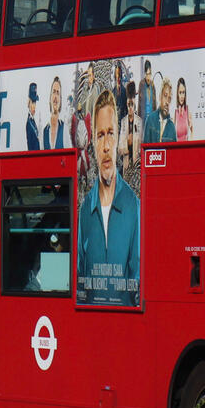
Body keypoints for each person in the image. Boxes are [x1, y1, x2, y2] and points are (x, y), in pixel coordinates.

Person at [76, 90, 140, 306]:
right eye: (100, 135)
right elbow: (78, 280)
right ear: (93, 142)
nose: (105, 146)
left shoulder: (133, 205)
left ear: (118, 136)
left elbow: (138, 280)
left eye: (111, 133)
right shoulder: (85, 210)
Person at [143, 76, 177, 144]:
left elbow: (174, 153)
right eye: (165, 96)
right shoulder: (150, 120)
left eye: (169, 99)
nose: (167, 102)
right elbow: (145, 150)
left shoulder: (172, 127)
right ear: (160, 96)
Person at [43, 75, 64, 149]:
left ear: (60, 100)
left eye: (58, 93)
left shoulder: (64, 129)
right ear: (50, 97)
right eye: (54, 92)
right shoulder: (45, 131)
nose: (55, 96)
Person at [173, 76, 191, 142]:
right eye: (180, 93)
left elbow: (192, 132)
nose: (182, 96)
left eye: (183, 92)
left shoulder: (188, 110)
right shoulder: (175, 112)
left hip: (187, 148)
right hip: (177, 149)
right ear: (177, 94)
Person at [25, 82, 41, 151]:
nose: (33, 107)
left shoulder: (38, 120)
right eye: (32, 103)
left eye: (35, 103)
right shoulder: (29, 123)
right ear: (28, 104)